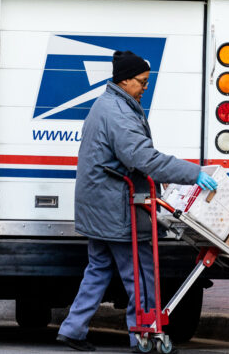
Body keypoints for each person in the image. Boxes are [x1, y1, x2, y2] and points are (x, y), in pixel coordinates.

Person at [56, 51, 218, 352]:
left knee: (99, 268)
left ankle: (73, 329)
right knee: (141, 273)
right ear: (125, 80)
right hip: (117, 209)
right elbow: (142, 157)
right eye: (142, 82)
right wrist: (193, 173)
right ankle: (143, 335)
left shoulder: (107, 105)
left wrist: (157, 178)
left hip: (98, 206)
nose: (146, 87)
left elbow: (123, 160)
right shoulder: (118, 113)